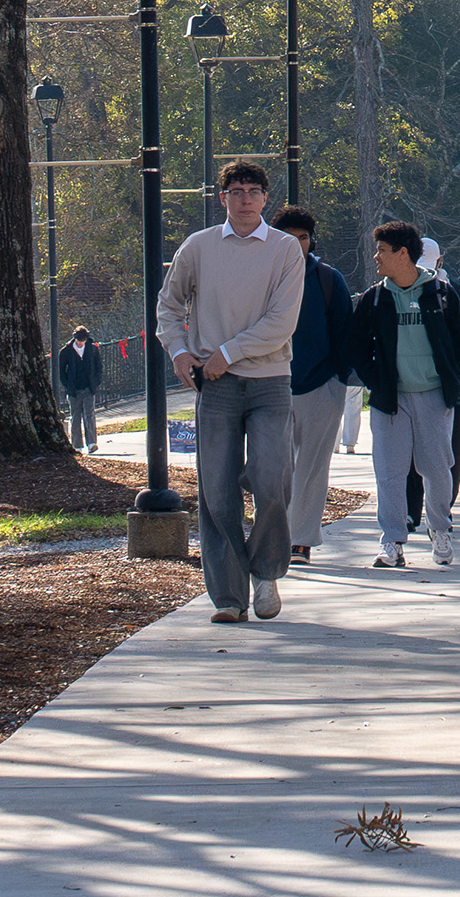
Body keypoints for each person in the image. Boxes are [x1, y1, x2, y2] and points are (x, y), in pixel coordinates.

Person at [157, 160, 305, 624]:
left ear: (266, 198)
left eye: (253, 190)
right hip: (214, 386)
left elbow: (282, 321)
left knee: (271, 480)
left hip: (269, 381)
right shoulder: (198, 247)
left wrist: (228, 351)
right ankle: (228, 596)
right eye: (235, 190)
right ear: (221, 198)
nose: (244, 198)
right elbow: (169, 305)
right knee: (216, 490)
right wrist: (180, 353)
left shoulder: (284, 250)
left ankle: (266, 572)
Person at [344, 220, 460, 569]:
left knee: (435, 468)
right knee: (389, 471)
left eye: (382, 251)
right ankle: (391, 541)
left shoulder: (442, 294)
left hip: (433, 396)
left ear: (402, 254)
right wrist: (377, 380)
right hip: (391, 400)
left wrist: (451, 377)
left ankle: (440, 530)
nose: (376, 257)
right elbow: (355, 347)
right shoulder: (375, 298)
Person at [273, 206, 357, 565]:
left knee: (311, 466)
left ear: (312, 240)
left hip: (322, 386)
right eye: (290, 238)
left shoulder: (327, 278)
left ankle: (301, 540)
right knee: (273, 467)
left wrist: (337, 379)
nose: (297, 245)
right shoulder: (263, 276)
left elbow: (344, 332)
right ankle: (274, 535)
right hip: (271, 384)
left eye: (304, 238)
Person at [403, 236, 460, 531]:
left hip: (452, 387)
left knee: (452, 449)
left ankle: (442, 509)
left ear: (440, 262)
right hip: (414, 384)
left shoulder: (459, 296)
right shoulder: (400, 294)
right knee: (412, 451)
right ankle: (410, 510)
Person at [54, 325, 106, 453]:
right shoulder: (66, 351)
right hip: (74, 390)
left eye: (83, 340)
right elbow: (61, 371)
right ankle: (77, 445)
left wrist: (95, 383)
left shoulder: (93, 349)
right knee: (75, 417)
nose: (81, 343)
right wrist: (67, 386)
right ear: (75, 339)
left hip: (88, 388)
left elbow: (99, 367)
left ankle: (92, 443)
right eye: (79, 341)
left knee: (90, 415)